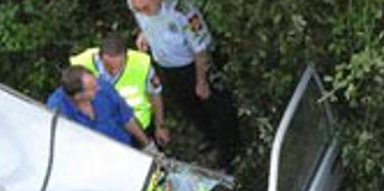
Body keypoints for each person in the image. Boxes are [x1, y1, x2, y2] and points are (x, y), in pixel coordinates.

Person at [127, 0, 240, 172]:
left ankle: (229, 153)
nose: (143, 12)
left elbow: (201, 50)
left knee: (218, 108)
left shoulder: (183, 12)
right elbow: (145, 21)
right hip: (167, 67)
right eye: (138, 9)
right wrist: (145, 33)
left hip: (194, 66)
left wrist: (201, 81)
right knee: (188, 107)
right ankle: (211, 136)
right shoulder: (136, 4)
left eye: (146, 8)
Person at [70, 35, 170, 146]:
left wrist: (159, 126)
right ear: (100, 57)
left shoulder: (141, 64)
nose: (115, 71)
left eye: (120, 66)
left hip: (139, 124)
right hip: (100, 130)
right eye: (109, 67)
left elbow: (155, 95)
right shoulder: (82, 64)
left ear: (126, 57)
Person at [47, 65, 152, 148]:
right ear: (78, 96)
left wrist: (148, 145)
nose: (99, 88)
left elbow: (127, 119)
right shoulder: (57, 109)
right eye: (92, 88)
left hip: (125, 149)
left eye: (96, 82)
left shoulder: (103, 87)